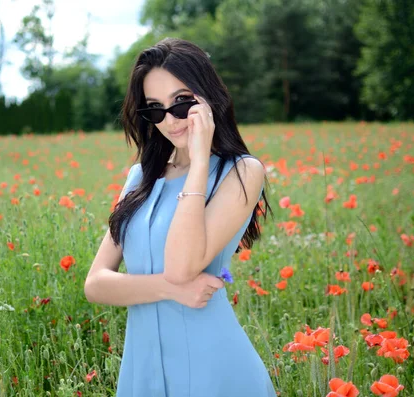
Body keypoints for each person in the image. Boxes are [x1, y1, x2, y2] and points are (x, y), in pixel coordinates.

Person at [84, 37, 277, 397]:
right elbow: (95, 284)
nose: (170, 120)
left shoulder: (242, 172)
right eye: (155, 109)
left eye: (182, 102)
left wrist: (199, 160)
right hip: (141, 373)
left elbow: (181, 266)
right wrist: (172, 290)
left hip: (215, 370)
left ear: (208, 98)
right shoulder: (139, 178)